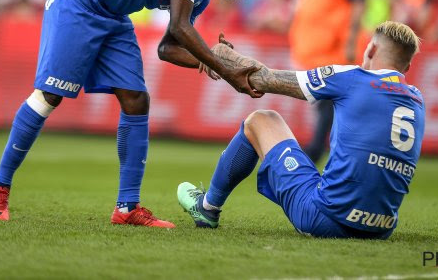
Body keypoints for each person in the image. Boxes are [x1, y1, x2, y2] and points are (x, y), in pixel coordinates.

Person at [0, 0, 272, 228]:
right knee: (50, 95)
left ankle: (127, 207)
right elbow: (179, 27)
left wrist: (213, 60)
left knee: (136, 99)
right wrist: (226, 69)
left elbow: (168, 47)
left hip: (113, 13)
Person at [177, 21, 424, 239]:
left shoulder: (352, 77)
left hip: (326, 218)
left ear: (370, 49)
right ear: (407, 67)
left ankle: (207, 207)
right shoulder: (417, 100)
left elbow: (264, 79)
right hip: (381, 227)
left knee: (262, 119)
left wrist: (222, 59)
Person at [289, 0, 372, 164]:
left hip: (337, 47)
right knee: (330, 103)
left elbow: (359, 4)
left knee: (330, 101)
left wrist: (349, 43)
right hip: (317, 47)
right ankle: (334, 151)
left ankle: (316, 150)